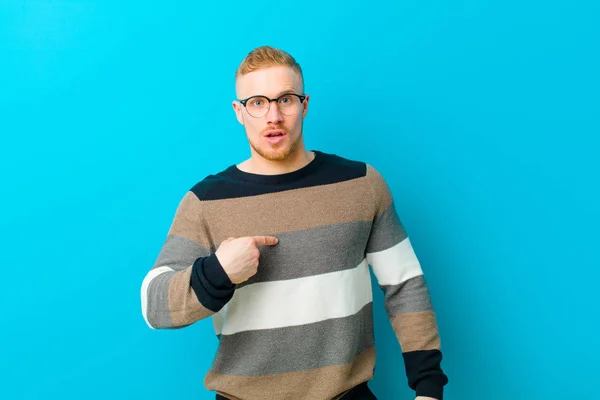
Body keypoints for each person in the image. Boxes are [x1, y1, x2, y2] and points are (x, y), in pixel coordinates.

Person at [140, 45, 449, 400]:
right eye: (257, 103)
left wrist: (428, 387)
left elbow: (405, 285)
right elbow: (154, 306)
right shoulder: (206, 202)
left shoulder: (362, 184)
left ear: (304, 105)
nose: (273, 116)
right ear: (239, 112)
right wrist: (218, 272)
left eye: (285, 99)